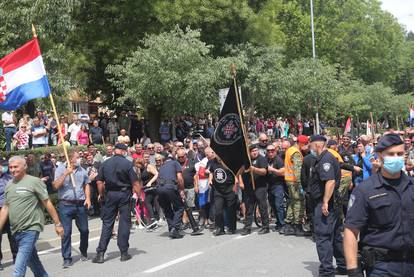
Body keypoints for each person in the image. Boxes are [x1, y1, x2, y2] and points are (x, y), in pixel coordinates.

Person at [344, 134, 414, 277]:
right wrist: (353, 270)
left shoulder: (412, 186)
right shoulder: (365, 190)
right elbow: (351, 231)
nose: (396, 157)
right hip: (381, 267)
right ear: (380, 156)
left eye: (400, 154)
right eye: (391, 154)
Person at [0, 156, 64, 277]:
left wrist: (58, 224)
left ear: (25, 167)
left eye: (16, 167)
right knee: (33, 263)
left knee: (19, 268)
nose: (13, 170)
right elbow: (5, 208)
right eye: (10, 167)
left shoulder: (34, 181)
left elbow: (47, 203)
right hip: (16, 230)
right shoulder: (9, 184)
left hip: (31, 228)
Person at [92, 144, 140, 264]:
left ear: (114, 151)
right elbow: (135, 183)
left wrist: (101, 194)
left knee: (107, 223)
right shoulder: (128, 164)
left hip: (110, 195)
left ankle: (101, 253)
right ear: (123, 151)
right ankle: (124, 252)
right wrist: (138, 196)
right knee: (124, 223)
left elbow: (99, 182)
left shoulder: (105, 163)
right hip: (124, 194)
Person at [308, 135, 346, 276]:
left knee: (323, 238)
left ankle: (326, 271)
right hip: (331, 203)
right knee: (335, 236)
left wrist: (324, 202)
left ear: (317, 145)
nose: (309, 147)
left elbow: (330, 181)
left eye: (310, 144)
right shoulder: (324, 158)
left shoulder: (325, 159)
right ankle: (343, 265)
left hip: (325, 204)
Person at [53, 151, 91, 268]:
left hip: (80, 205)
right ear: (71, 159)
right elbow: (55, 186)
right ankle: (67, 258)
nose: (80, 159)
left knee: (84, 230)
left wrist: (88, 198)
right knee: (66, 233)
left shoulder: (82, 170)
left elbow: (86, 184)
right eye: (77, 157)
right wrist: (66, 174)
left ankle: (83, 251)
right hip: (66, 205)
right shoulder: (60, 169)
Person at [241, 144, 270, 235]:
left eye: (256, 150)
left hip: (260, 187)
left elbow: (264, 171)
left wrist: (254, 169)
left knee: (262, 207)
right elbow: (240, 171)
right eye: (253, 151)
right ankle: (247, 227)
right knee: (249, 208)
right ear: (249, 152)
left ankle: (265, 227)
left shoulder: (261, 159)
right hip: (249, 188)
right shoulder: (246, 160)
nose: (255, 152)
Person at [283, 135, 308, 236]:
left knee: (292, 202)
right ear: (301, 143)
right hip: (295, 182)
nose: (307, 146)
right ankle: (298, 227)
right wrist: (301, 185)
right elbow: (298, 171)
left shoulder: (290, 150)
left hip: (289, 180)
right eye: (306, 144)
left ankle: (288, 225)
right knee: (299, 203)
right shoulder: (296, 153)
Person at [208, 153, 238, 236]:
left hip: (229, 188)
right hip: (218, 190)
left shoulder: (228, 161)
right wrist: (210, 179)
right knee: (218, 210)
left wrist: (236, 181)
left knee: (231, 209)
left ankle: (232, 228)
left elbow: (235, 172)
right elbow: (211, 172)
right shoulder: (213, 162)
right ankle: (220, 228)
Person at [156, 154, 185, 239]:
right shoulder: (175, 163)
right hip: (169, 187)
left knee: (167, 208)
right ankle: (175, 229)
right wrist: (182, 189)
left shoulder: (162, 166)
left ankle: (171, 229)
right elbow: (180, 178)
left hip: (159, 189)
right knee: (179, 207)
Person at [0, 159, 17, 270]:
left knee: (13, 235)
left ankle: (16, 258)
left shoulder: (8, 177)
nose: (3, 167)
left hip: (10, 209)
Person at [266, 144, 286, 232]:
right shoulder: (266, 160)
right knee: (273, 206)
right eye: (268, 151)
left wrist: (273, 170)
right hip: (269, 185)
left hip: (278, 185)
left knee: (279, 205)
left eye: (272, 151)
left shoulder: (278, 160)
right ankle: (278, 223)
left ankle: (283, 225)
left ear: (275, 151)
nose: (270, 153)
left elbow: (283, 172)